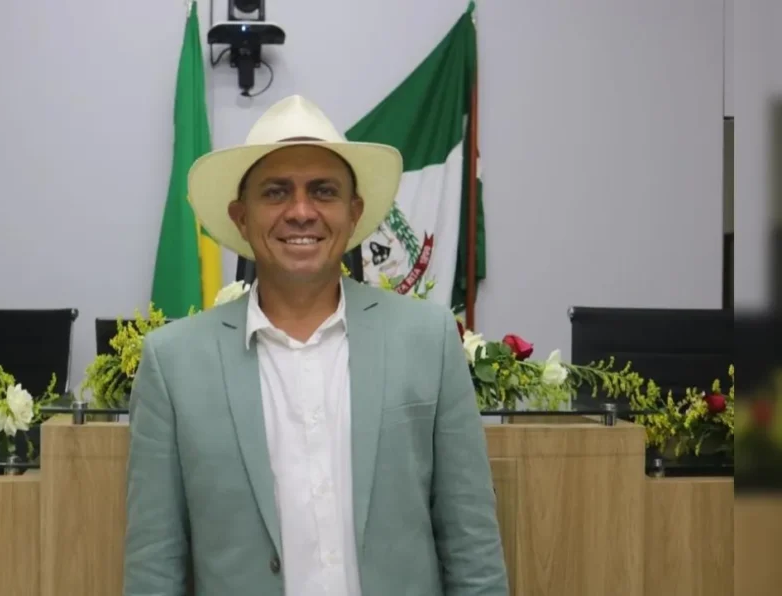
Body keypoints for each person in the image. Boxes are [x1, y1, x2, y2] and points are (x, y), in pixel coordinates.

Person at [123, 95, 508, 596]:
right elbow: (154, 564)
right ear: (241, 217)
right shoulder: (173, 363)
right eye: (276, 192)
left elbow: (472, 546)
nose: (301, 212)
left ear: (354, 213)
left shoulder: (428, 340)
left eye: (323, 191)